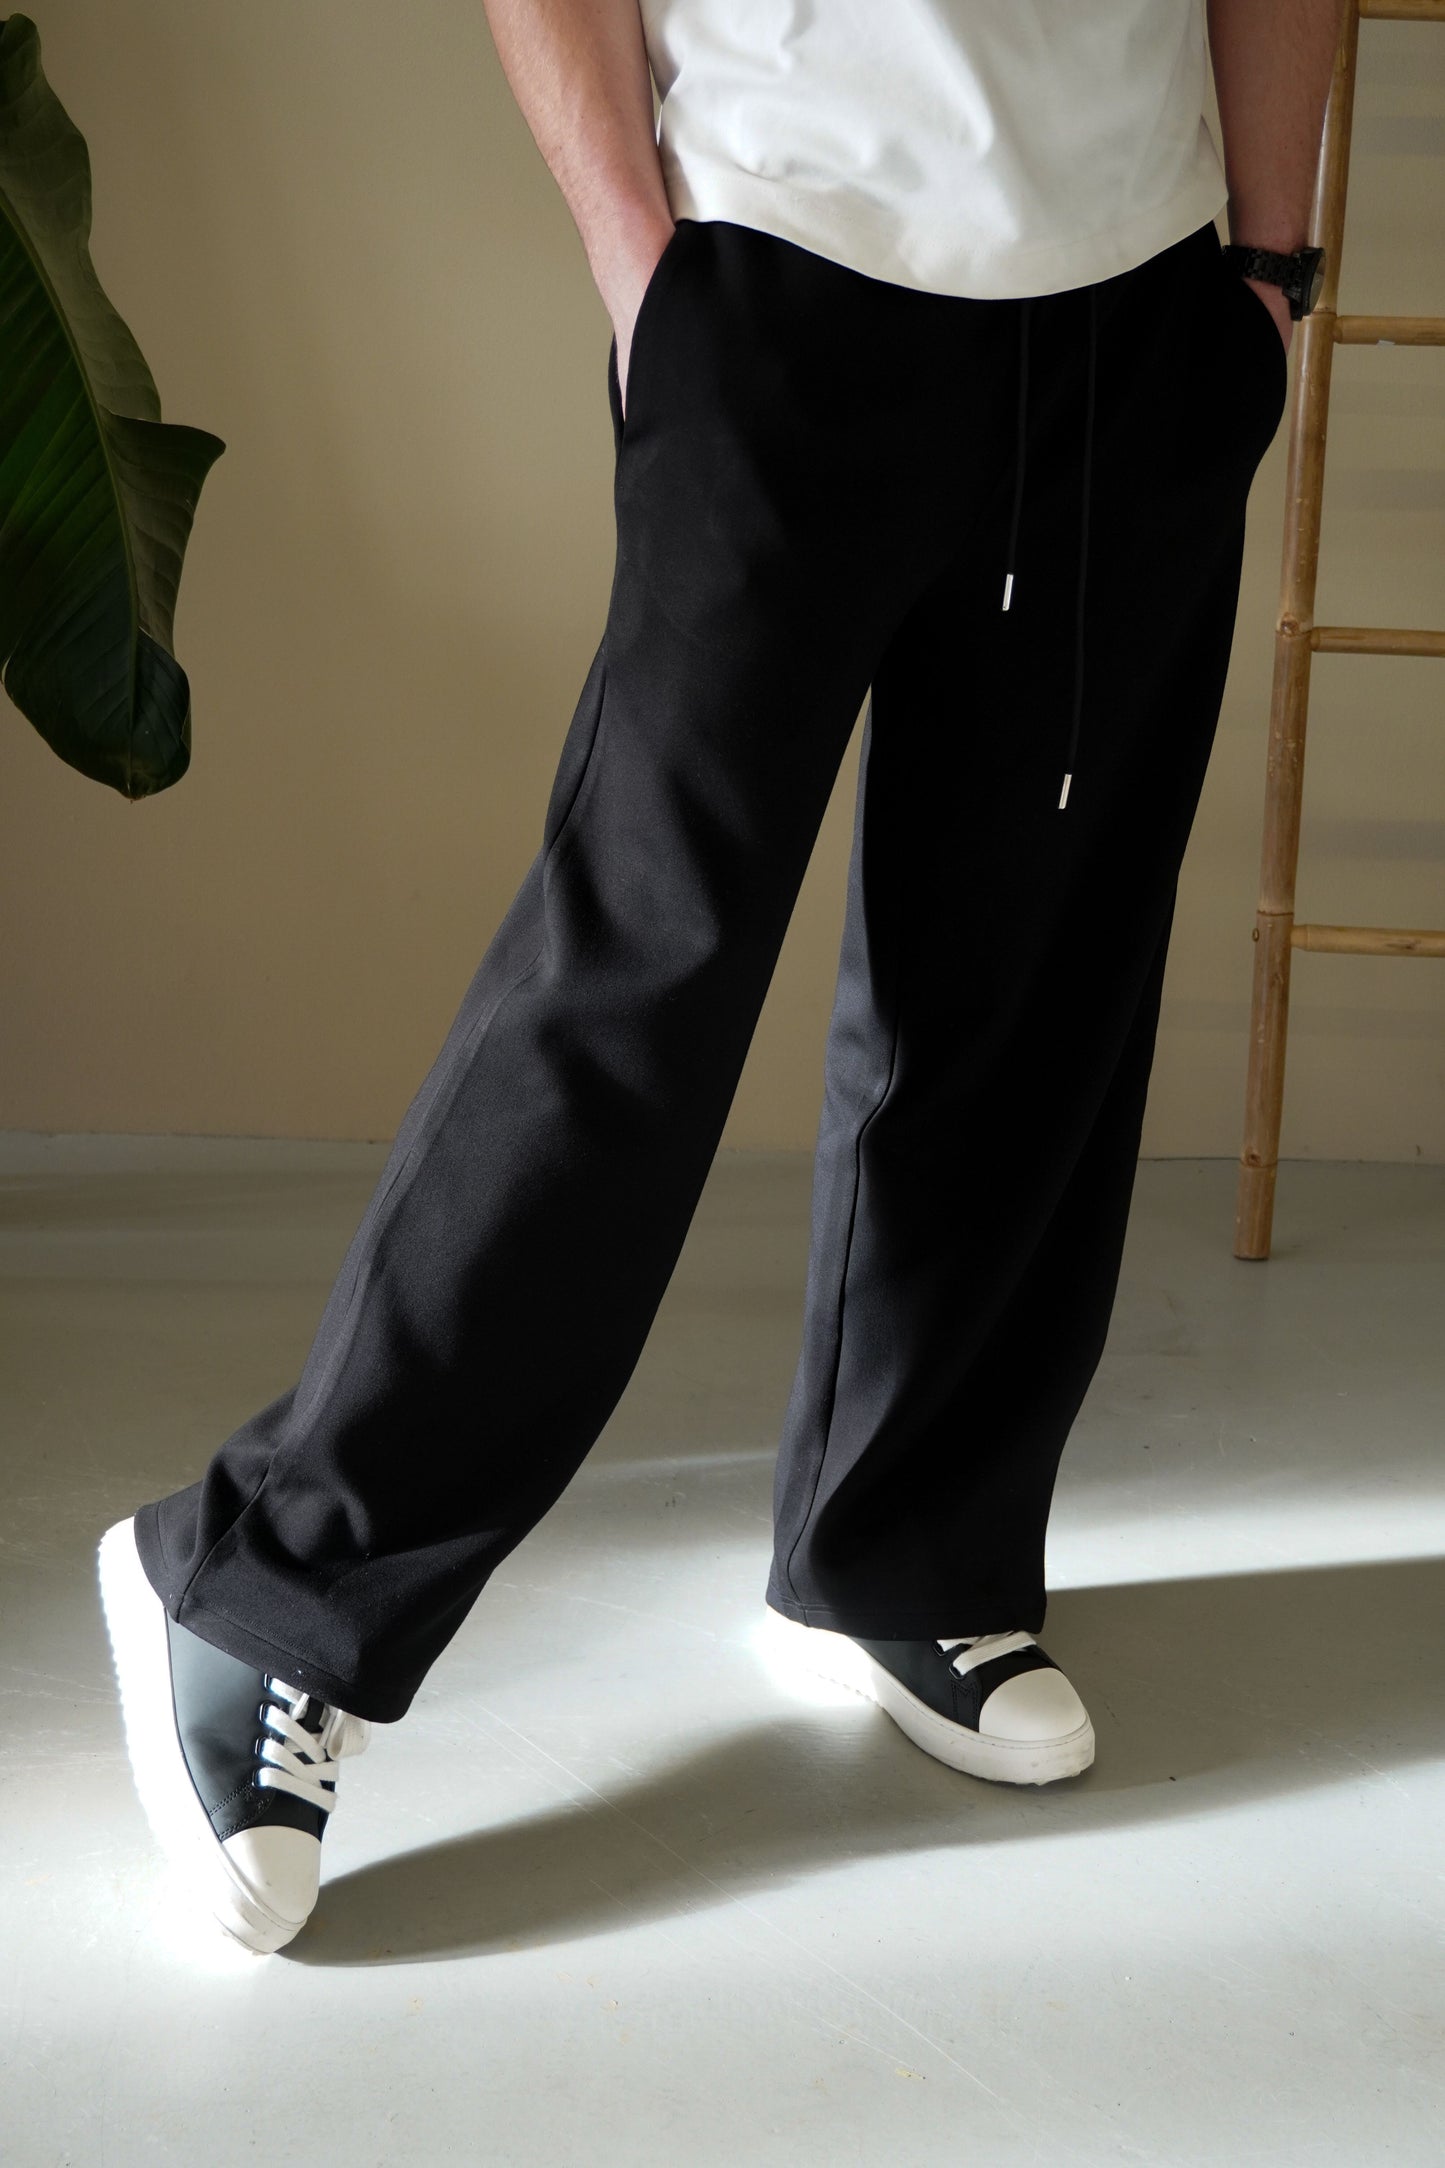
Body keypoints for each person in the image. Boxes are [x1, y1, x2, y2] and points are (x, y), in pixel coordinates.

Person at [97, 0, 1342, 1955]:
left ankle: (903, 1542)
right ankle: (259, 1585)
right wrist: (635, 254)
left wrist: (1266, 268)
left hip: (1141, 285)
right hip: (786, 250)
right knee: (641, 983)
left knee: (1029, 976)